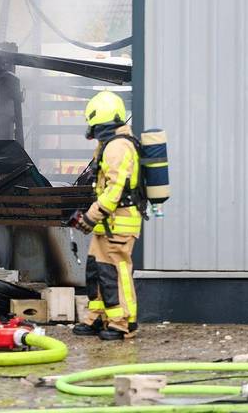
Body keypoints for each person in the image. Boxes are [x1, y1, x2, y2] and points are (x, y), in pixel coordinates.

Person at [69, 90, 141, 341]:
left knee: (116, 272)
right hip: (107, 222)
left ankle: (123, 323)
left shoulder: (118, 147)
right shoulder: (109, 144)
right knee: (96, 271)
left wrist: (91, 215)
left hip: (118, 222)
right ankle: (97, 317)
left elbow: (115, 189)